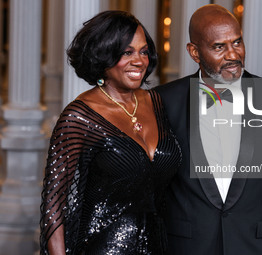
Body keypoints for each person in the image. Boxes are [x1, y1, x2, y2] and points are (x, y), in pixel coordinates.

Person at [155, 4, 262, 255]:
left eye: (237, 42)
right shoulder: (163, 102)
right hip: (189, 247)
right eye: (219, 47)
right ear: (194, 52)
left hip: (261, 247)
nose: (233, 54)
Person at [40, 11, 181, 255]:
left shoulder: (156, 103)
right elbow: (54, 210)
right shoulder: (79, 117)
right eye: (127, 52)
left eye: (144, 51)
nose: (139, 60)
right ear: (103, 56)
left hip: (161, 246)